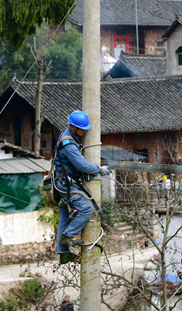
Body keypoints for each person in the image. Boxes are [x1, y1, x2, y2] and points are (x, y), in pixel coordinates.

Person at [54, 110, 110, 265]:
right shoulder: (69, 144)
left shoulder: (66, 135)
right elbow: (82, 165)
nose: (84, 132)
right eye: (82, 129)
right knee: (85, 208)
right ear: (74, 127)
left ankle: (63, 253)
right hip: (66, 185)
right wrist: (99, 169)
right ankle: (68, 237)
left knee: (65, 217)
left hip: (60, 183)